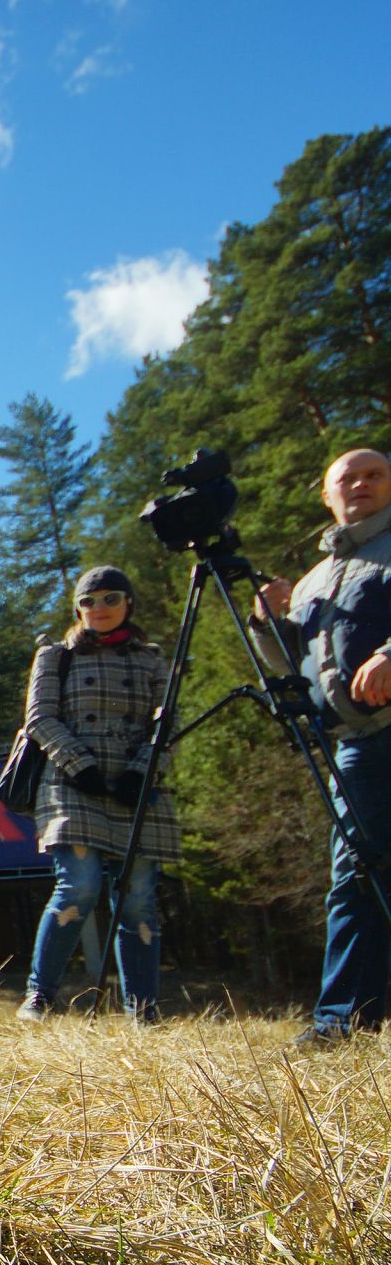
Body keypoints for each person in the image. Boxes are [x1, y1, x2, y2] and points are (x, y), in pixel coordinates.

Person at [251, 447, 391, 1045]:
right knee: (357, 872)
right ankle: (345, 1023)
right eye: (347, 478)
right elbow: (294, 669)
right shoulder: (312, 580)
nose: (360, 484)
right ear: (326, 494)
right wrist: (267, 624)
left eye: (374, 475)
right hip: (356, 743)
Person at [16, 566, 180, 1024]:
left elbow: (168, 726)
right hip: (72, 784)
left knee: (138, 899)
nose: (100, 609)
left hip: (136, 787)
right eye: (89, 601)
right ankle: (41, 996)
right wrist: (79, 764)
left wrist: (142, 772)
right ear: (77, 608)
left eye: (111, 598)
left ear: (129, 603)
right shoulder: (55, 656)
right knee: (79, 886)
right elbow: (40, 718)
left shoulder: (152, 660)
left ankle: (143, 1011)